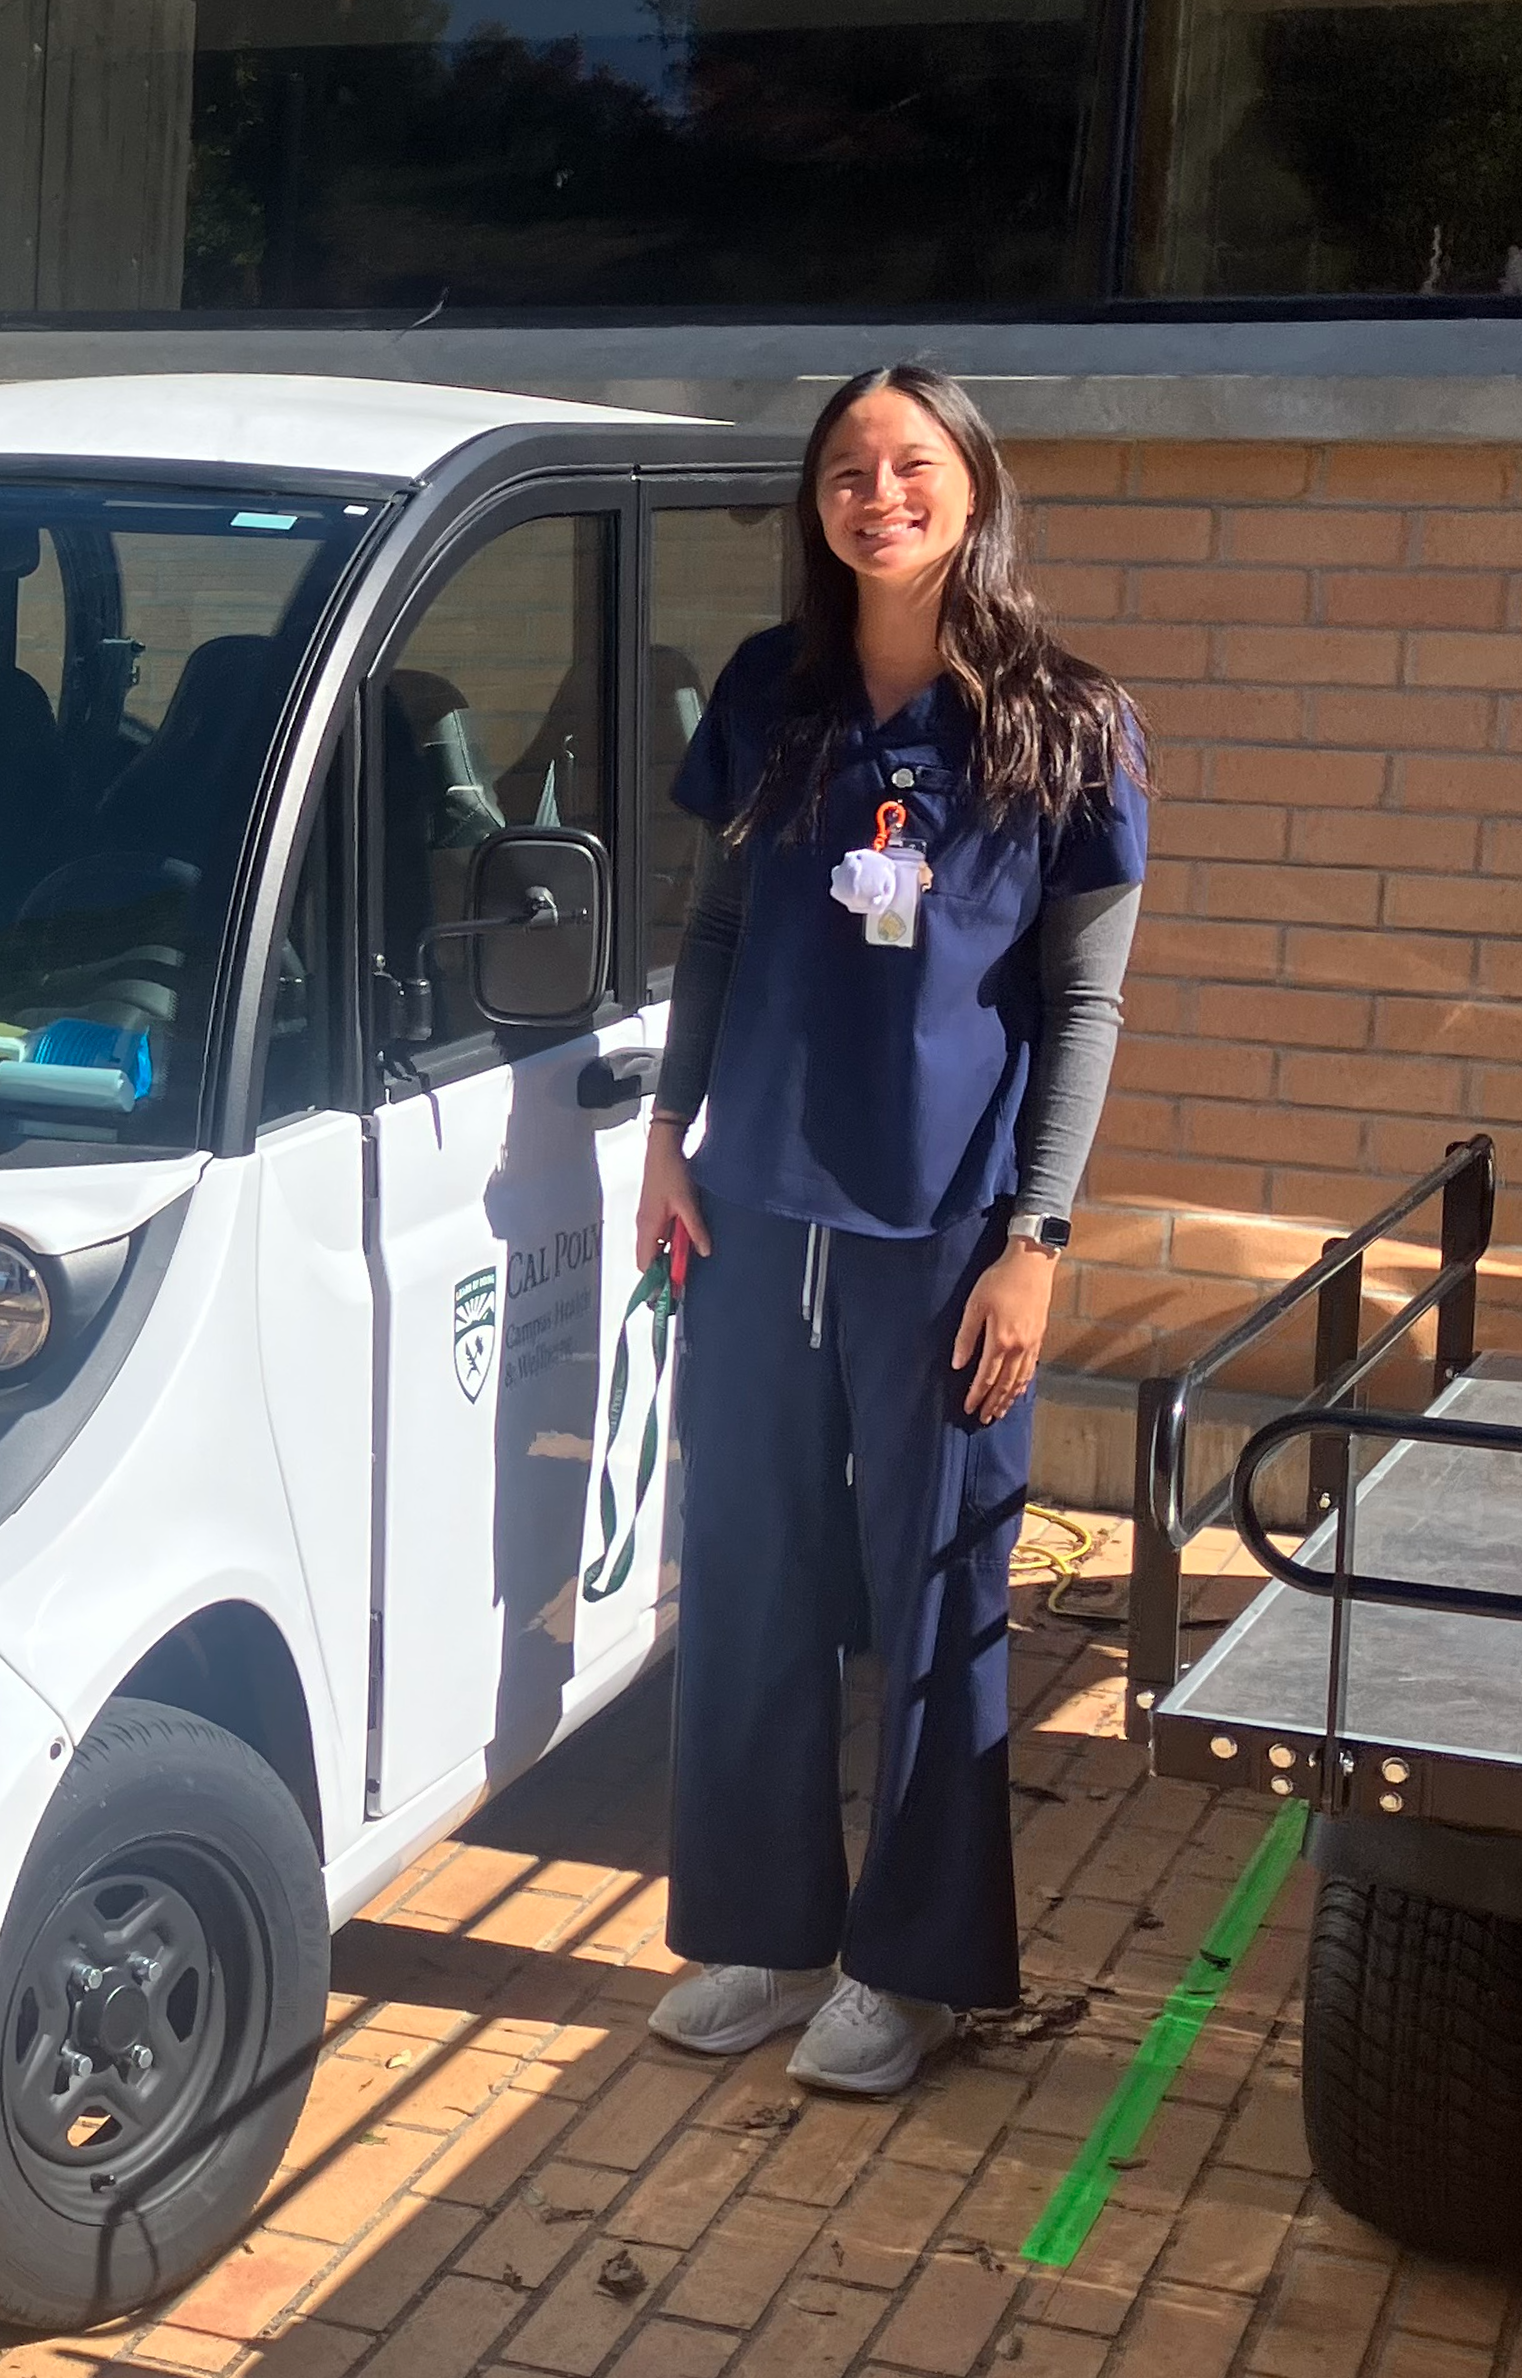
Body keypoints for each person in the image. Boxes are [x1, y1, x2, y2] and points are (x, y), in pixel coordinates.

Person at [635, 363, 1146, 2097]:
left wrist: (1039, 1236)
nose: (877, 493)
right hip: (760, 1207)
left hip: (949, 1229)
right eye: (847, 469)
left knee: (938, 1598)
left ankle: (912, 1969)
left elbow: (1084, 1006)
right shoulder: (772, 692)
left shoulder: (1064, 724)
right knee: (756, 1573)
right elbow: (712, 932)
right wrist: (664, 1135)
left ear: (971, 491)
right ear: (819, 506)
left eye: (909, 464)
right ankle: (765, 1935)